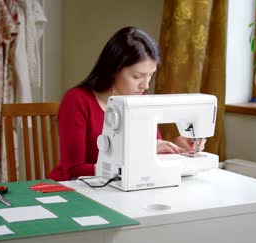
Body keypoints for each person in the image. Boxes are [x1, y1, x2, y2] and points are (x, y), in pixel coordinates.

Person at [48, 26, 205, 182]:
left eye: (150, 75)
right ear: (113, 69)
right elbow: (74, 171)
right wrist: (142, 153)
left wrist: (177, 148)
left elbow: (151, 154)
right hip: (74, 191)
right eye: (137, 76)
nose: (145, 85)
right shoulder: (77, 101)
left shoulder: (140, 99)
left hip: (118, 188)